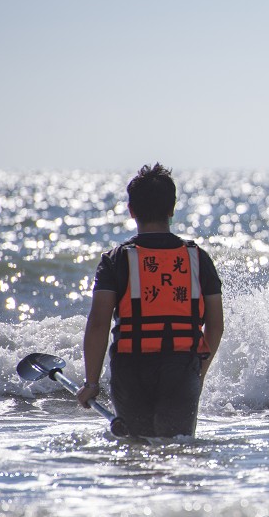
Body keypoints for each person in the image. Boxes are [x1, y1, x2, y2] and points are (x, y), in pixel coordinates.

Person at [76, 163, 224, 437]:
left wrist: (92, 383)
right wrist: (198, 374)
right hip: (182, 368)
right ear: (172, 209)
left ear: (131, 211)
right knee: (177, 449)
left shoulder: (115, 260)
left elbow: (98, 323)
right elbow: (215, 325)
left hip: (132, 367)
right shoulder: (197, 258)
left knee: (136, 448)